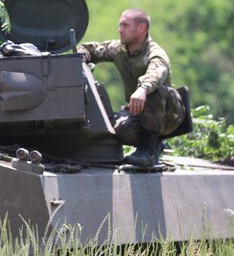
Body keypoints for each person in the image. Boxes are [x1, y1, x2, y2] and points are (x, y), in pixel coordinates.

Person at [77, 9, 185, 167]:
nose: (120, 29)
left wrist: (142, 89)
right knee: (120, 129)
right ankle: (154, 144)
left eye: (125, 25)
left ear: (141, 28)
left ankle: (146, 152)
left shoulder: (155, 53)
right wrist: (81, 57)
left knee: (155, 90)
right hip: (139, 112)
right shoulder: (119, 50)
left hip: (168, 114)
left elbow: (156, 73)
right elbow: (91, 49)